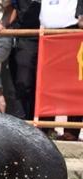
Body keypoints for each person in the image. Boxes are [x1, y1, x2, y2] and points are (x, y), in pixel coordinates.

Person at [39, 0, 83, 141]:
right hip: (46, 33)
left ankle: (72, 130)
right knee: (48, 82)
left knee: (72, 80)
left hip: (72, 30)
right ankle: (46, 127)